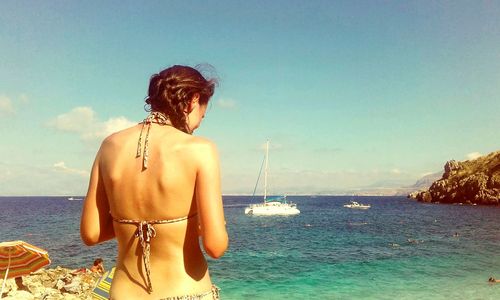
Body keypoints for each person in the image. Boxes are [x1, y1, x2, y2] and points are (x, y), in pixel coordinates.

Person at [80, 65, 228, 300]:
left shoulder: (109, 145)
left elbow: (91, 234)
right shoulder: (200, 149)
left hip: (123, 294)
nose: (198, 124)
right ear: (193, 100)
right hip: (186, 290)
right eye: (202, 115)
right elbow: (215, 246)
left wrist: (135, 225)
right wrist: (185, 226)